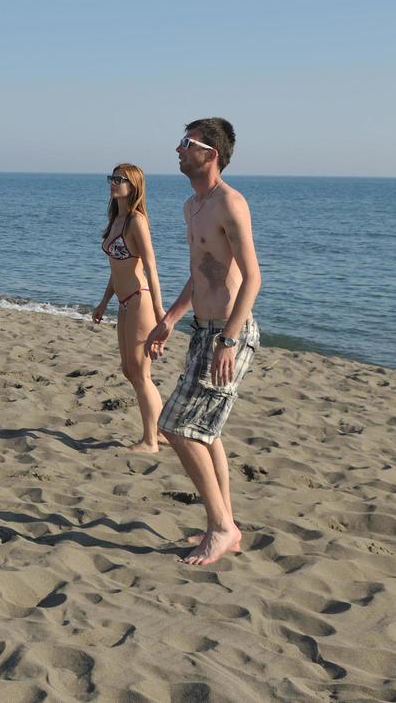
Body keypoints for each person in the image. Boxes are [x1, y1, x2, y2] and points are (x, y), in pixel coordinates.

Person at [147, 119, 262, 565]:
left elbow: (252, 279)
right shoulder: (192, 206)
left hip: (230, 333)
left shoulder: (231, 204)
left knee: (175, 425)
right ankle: (226, 524)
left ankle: (220, 526)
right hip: (204, 330)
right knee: (205, 431)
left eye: (186, 143)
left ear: (209, 153)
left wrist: (229, 341)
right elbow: (202, 273)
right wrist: (170, 318)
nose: (177, 149)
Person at [90, 163, 165, 453]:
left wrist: (161, 314)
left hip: (139, 300)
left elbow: (151, 267)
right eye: (112, 177)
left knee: (140, 372)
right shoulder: (116, 220)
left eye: (119, 179)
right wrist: (103, 302)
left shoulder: (136, 221)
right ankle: (160, 432)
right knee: (128, 370)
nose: (113, 183)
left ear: (133, 186)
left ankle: (151, 440)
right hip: (122, 302)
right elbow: (116, 268)